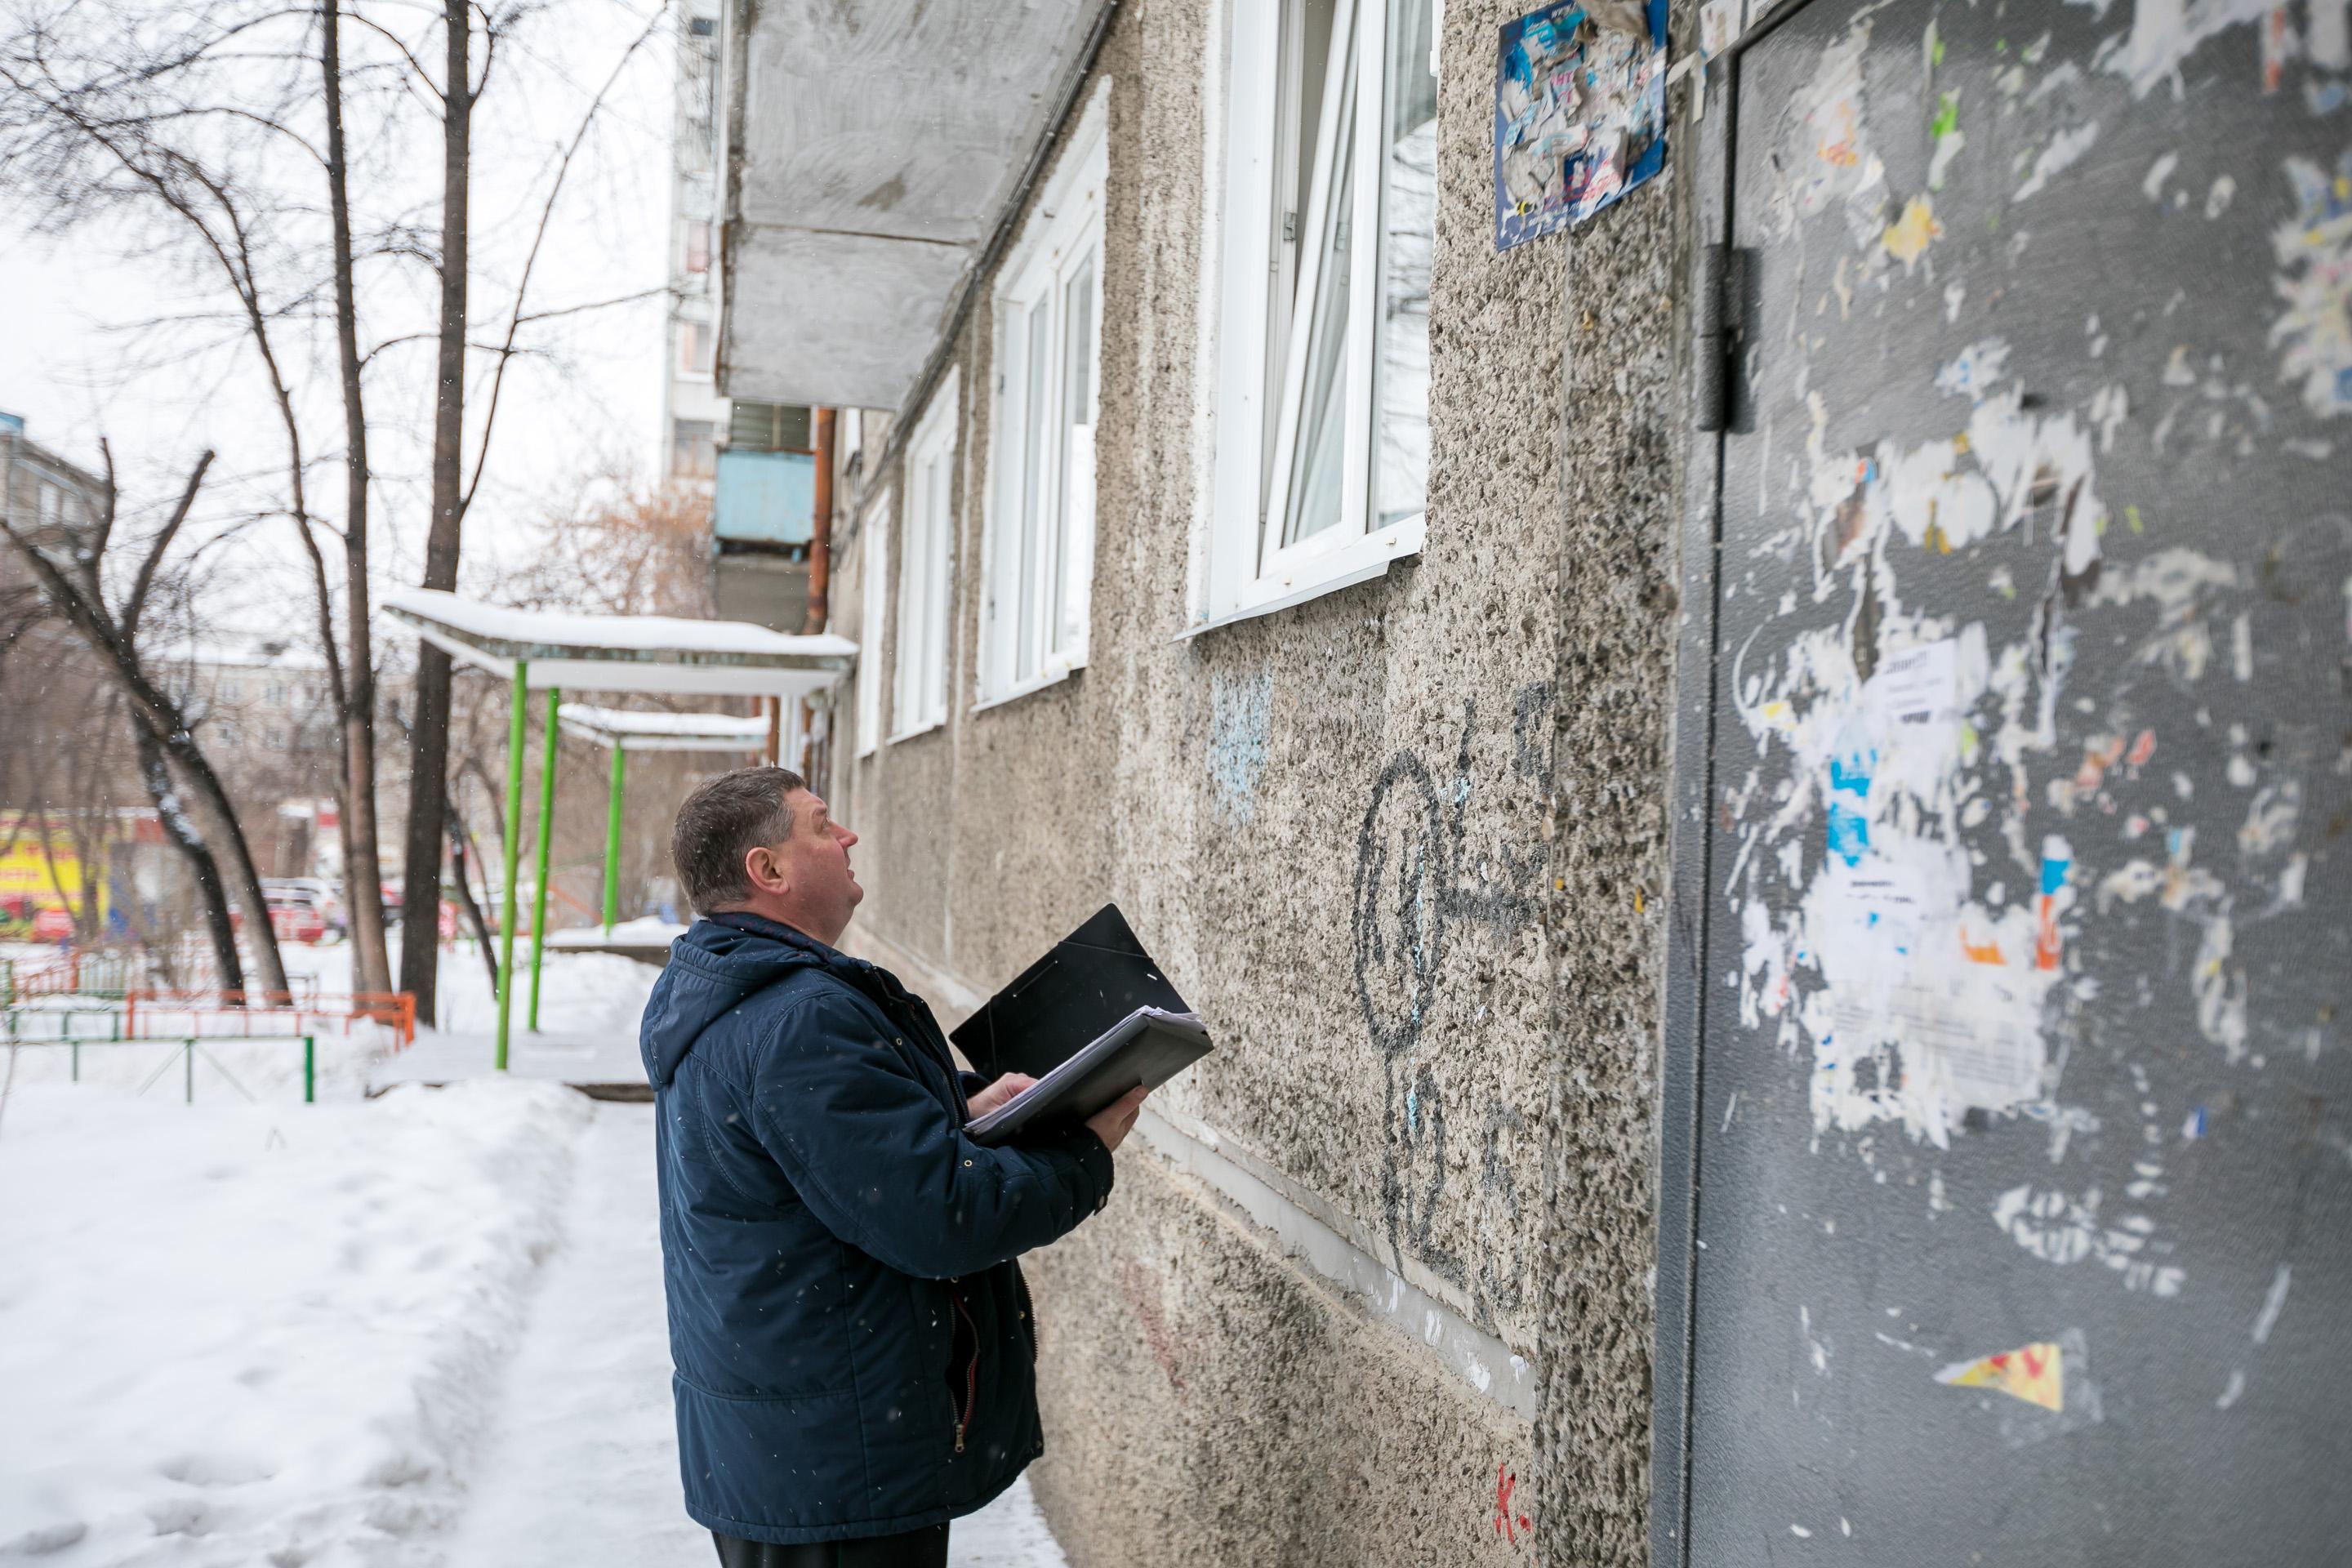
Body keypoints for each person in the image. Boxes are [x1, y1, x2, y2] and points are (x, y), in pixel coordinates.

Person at [639, 766, 1146, 1568]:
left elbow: (834, 1158)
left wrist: (958, 1114)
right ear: (766, 872)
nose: (847, 837)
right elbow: (944, 1216)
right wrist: (1081, 1153)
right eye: (819, 825)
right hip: (836, 1472)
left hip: (794, 1449)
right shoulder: (795, 1016)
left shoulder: (740, 993)